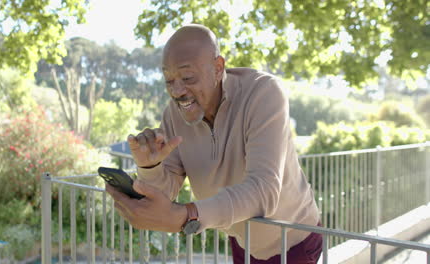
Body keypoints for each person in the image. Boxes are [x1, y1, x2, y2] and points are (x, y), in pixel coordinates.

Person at [106, 24, 322, 263]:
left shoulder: (263, 92)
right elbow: (165, 193)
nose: (177, 91)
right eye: (169, 80)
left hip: (293, 240)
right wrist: (149, 167)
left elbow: (264, 191)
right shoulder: (174, 114)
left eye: (187, 78)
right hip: (243, 239)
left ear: (218, 68)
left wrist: (188, 215)